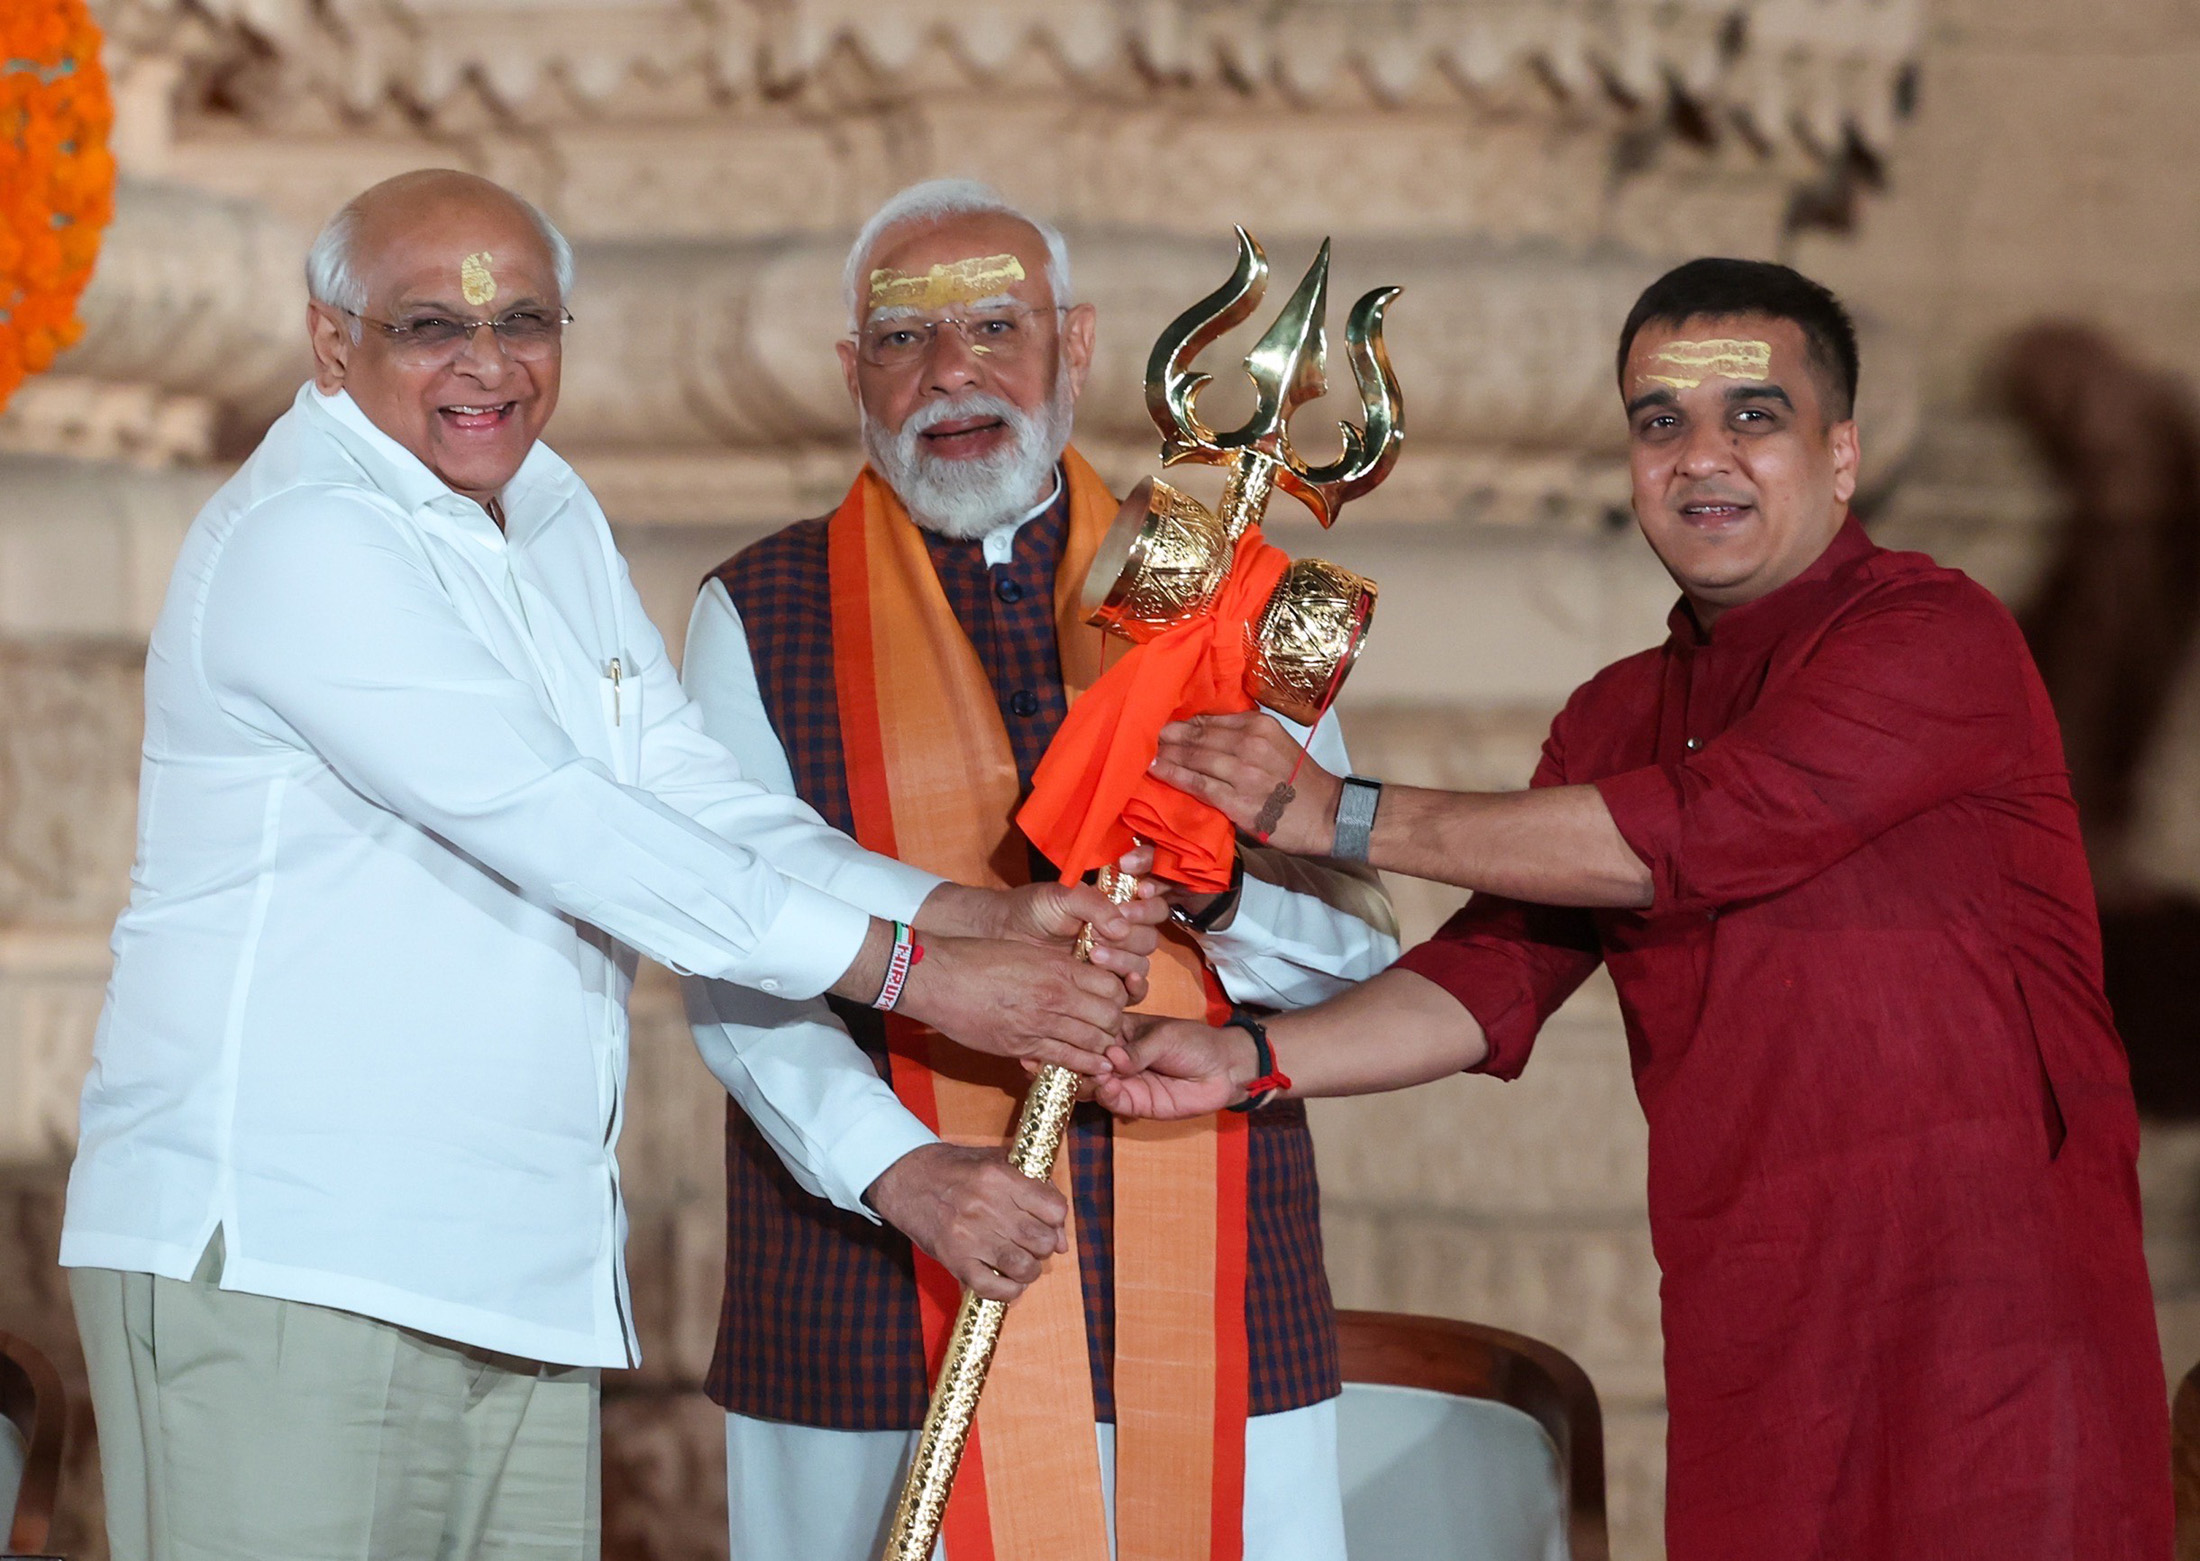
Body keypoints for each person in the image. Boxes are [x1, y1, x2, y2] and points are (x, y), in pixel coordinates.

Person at [58, 169, 1163, 1561]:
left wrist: (967, 910)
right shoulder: (306, 535)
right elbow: (571, 828)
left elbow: (691, 794)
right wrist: (920, 975)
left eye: (524, 321)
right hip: (294, 1251)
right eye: (429, 327)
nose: (487, 364)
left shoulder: (547, 510)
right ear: (331, 341)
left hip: (512, 1266)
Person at [1103, 259, 2172, 1558]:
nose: (1700, 456)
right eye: (1661, 421)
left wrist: (1335, 811)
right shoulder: (1615, 714)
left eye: (1753, 416)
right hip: (1760, 1333)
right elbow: (1489, 976)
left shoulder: (1936, 634)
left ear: (1840, 456)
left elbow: (1701, 829)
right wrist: (1249, 1059)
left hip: (1990, 1336)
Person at [681, 179, 1400, 1561]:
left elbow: (1356, 957)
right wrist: (899, 1170)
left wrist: (1216, 889)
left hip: (1209, 1256)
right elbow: (727, 941)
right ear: (851, 373)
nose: (951, 374)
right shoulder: (756, 606)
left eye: (996, 328)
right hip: (876, 1265)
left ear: (1076, 345)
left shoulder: (1236, 598)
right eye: (903, 338)